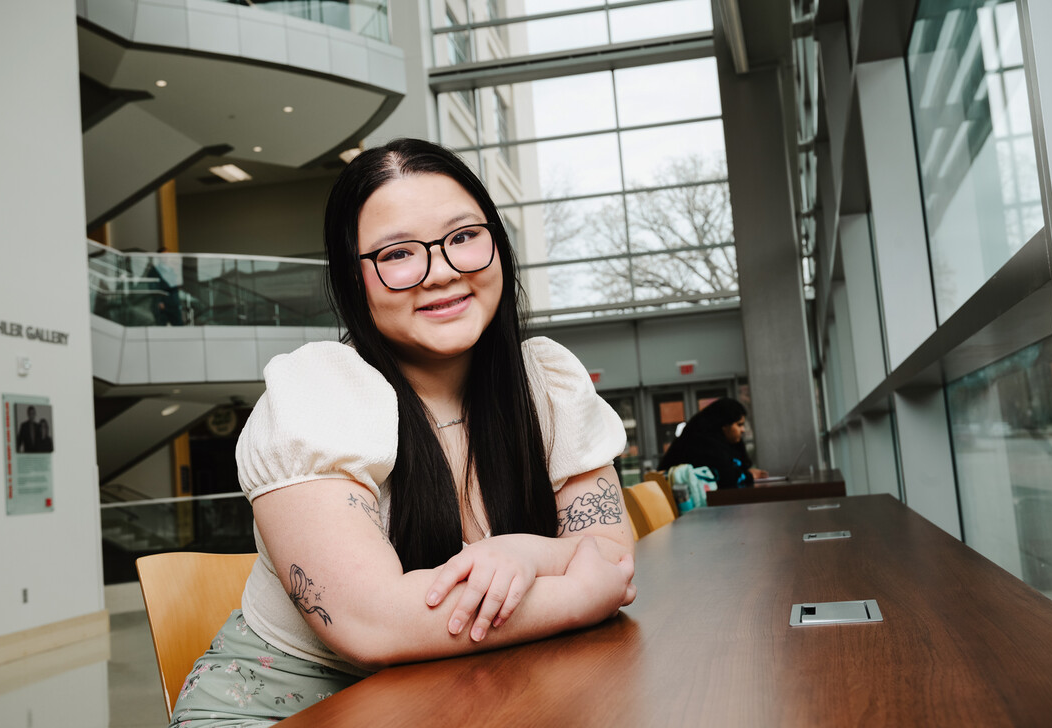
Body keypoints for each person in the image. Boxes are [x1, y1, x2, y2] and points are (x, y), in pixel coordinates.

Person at [169, 139, 637, 726]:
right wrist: (572, 594)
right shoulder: (320, 393)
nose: (441, 272)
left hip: (467, 695)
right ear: (352, 278)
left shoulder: (545, 382)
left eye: (464, 237)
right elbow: (374, 623)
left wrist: (519, 551)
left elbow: (613, 556)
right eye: (398, 254)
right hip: (292, 713)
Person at [658, 397, 768, 488]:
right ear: (724, 426)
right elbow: (725, 477)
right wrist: (748, 475)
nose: (743, 430)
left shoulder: (725, 443)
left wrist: (746, 473)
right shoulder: (701, 441)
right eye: (739, 425)